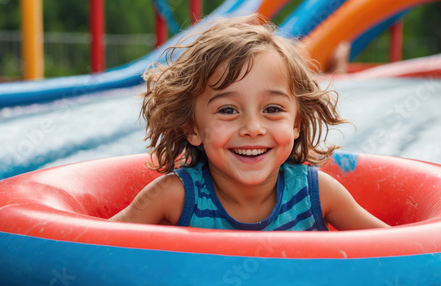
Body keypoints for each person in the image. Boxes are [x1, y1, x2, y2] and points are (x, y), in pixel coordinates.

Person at [110, 14, 389, 231]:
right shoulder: (176, 197)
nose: (253, 128)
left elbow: (402, 249)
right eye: (229, 110)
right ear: (192, 128)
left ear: (296, 123)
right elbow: (93, 245)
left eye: (272, 108)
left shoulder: (315, 194)